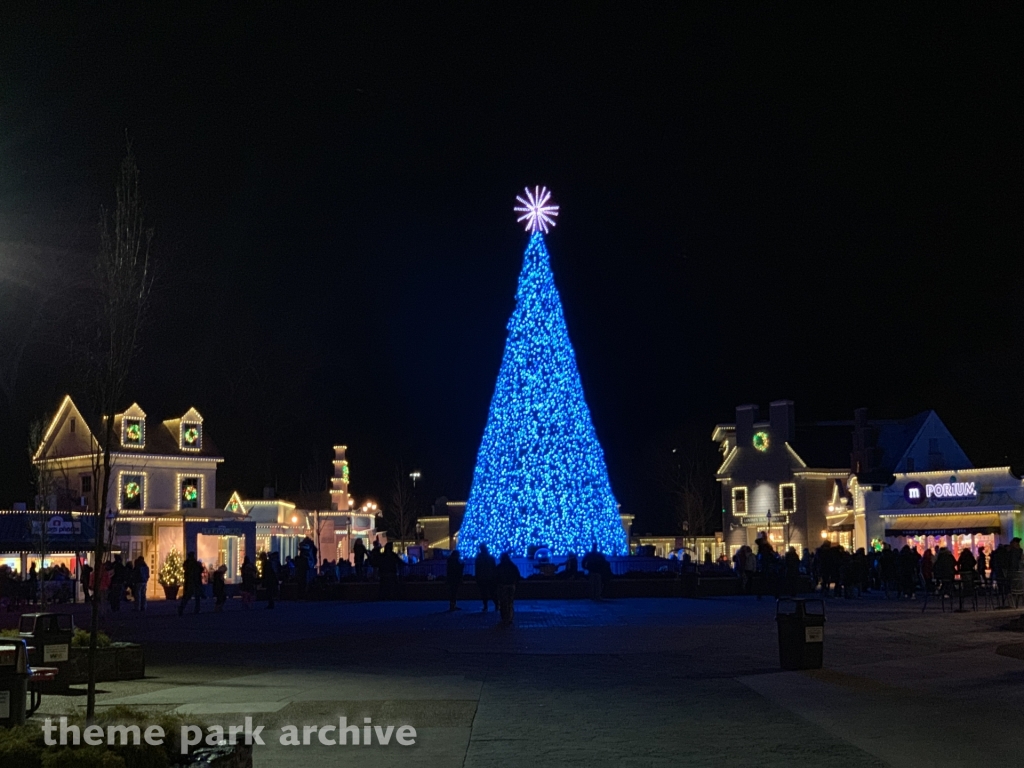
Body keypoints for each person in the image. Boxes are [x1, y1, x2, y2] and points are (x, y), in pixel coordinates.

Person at [495, 553, 520, 626]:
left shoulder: (499, 566)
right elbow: (517, 575)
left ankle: (504, 617)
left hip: (502, 586)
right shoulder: (512, 566)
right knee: (510, 602)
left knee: (503, 602)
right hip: (511, 585)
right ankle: (509, 617)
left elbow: (496, 576)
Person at [474, 544, 497, 612]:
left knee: (484, 592)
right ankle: (496, 604)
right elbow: (494, 568)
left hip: (482, 577)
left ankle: (486, 606)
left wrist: (477, 577)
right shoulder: (490, 557)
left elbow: (477, 569)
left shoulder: (479, 558)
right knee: (492, 592)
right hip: (489, 577)